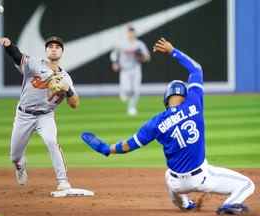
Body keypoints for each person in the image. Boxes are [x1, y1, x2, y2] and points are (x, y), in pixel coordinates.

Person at [82, 38, 255, 214]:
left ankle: (185, 205)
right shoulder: (194, 102)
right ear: (185, 95)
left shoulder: (155, 123)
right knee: (248, 185)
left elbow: (128, 146)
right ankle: (227, 206)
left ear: (166, 99)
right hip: (202, 178)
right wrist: (173, 51)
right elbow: (196, 69)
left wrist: (107, 149)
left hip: (177, 184)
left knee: (169, 176)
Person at [0, 36, 79, 192]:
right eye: (50, 46)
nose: (54, 48)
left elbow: (74, 104)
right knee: (14, 155)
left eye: (57, 46)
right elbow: (17, 56)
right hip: (24, 115)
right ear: (46, 50)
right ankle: (20, 165)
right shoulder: (34, 64)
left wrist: (67, 90)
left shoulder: (66, 77)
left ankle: (63, 181)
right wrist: (9, 46)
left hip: (45, 116)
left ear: (62, 51)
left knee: (52, 142)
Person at [110, 26, 150, 116]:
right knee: (127, 90)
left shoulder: (139, 44)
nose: (131, 34)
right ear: (127, 33)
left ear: (135, 34)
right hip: (125, 70)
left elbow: (147, 57)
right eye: (129, 32)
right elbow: (114, 54)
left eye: (132, 33)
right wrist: (115, 63)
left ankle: (131, 108)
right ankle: (123, 92)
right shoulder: (121, 44)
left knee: (136, 90)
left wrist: (141, 57)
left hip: (135, 68)